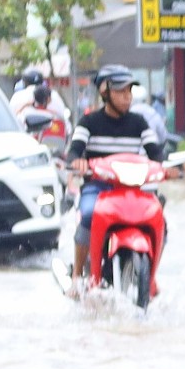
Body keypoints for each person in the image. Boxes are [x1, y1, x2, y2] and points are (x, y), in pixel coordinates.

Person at [67, 65, 165, 282]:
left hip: (132, 189)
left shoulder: (139, 123)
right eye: (121, 92)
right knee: (89, 215)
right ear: (105, 93)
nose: (127, 97)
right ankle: (77, 275)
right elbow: (74, 150)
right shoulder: (89, 122)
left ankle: (151, 278)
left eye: (129, 92)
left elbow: (155, 153)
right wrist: (77, 161)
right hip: (98, 188)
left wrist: (168, 168)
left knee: (159, 219)